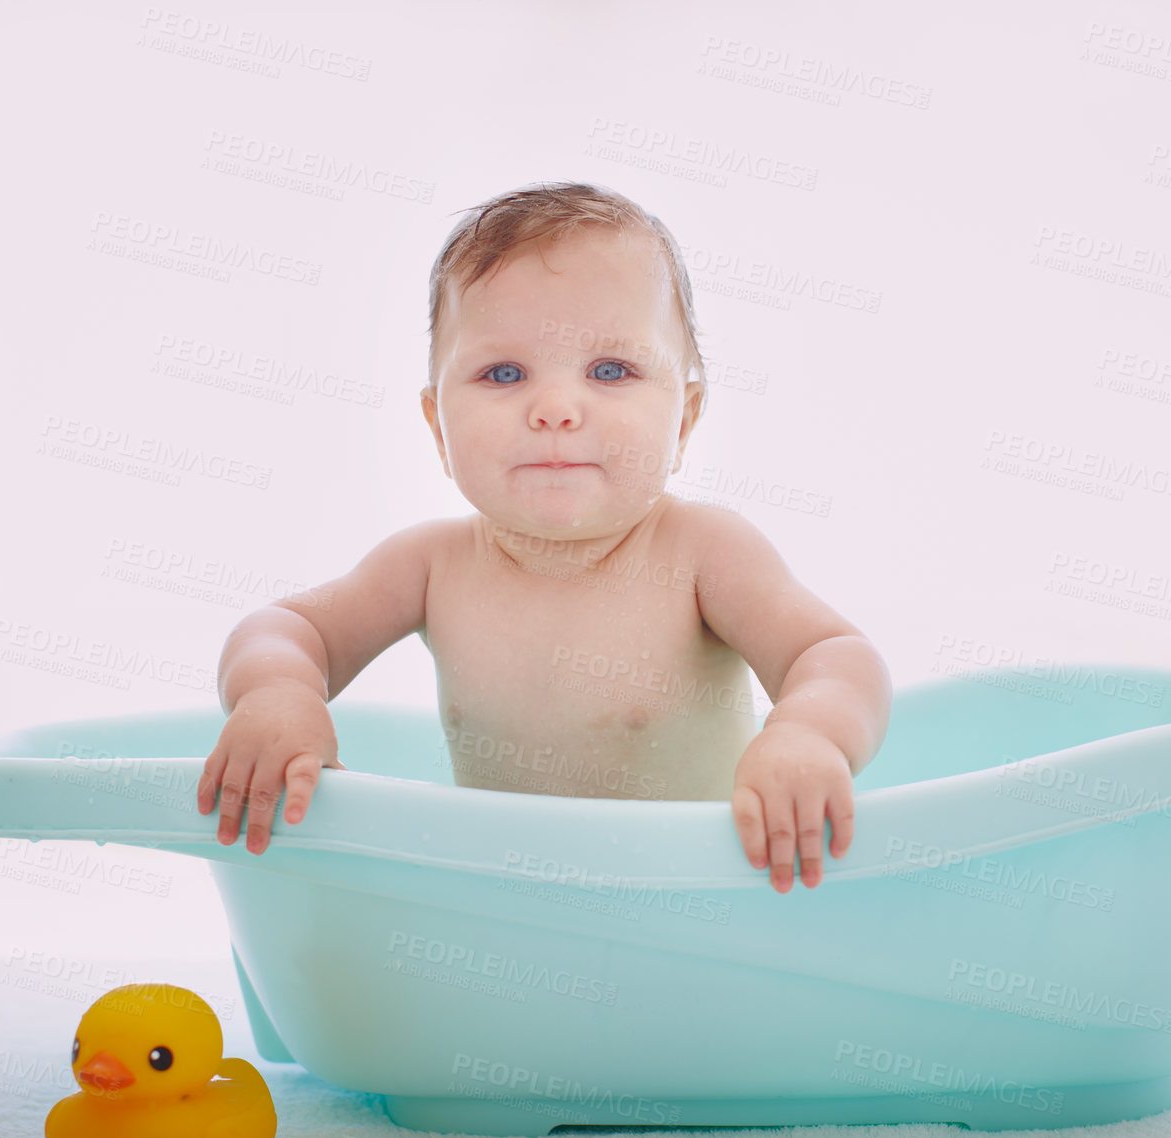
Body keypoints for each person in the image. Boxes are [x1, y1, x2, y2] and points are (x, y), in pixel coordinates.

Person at [196, 181, 890, 892]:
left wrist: (808, 734)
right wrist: (278, 693)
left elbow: (834, 655)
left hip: (696, 915)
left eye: (610, 370)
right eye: (503, 373)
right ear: (438, 427)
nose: (555, 408)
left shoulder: (702, 556)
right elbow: (285, 627)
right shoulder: (431, 566)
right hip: (511, 926)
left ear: (683, 419)